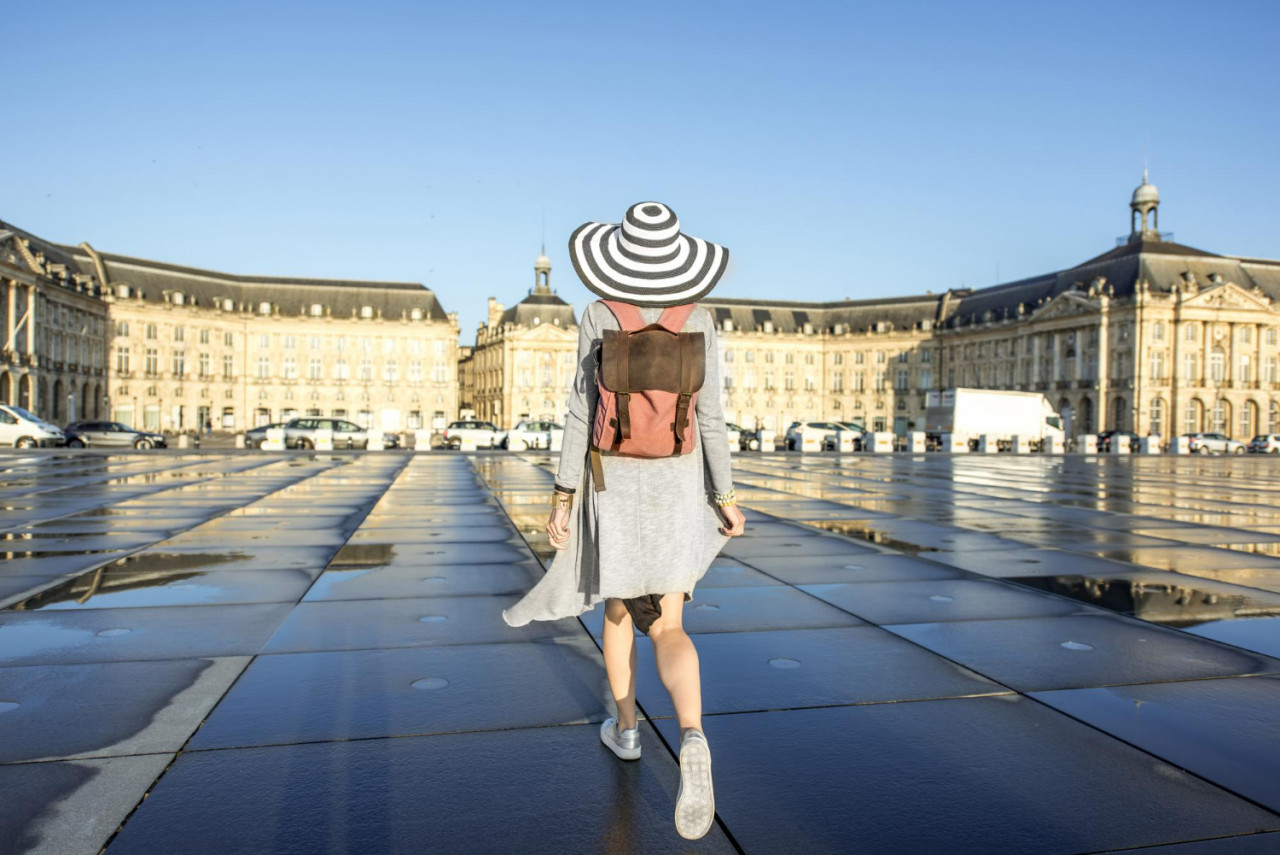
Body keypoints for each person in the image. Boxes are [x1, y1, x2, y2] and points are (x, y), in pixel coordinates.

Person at [503, 202, 745, 841]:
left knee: (618, 613)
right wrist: (724, 496)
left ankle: (629, 730)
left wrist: (562, 496)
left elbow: (580, 412)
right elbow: (713, 416)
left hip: (613, 481)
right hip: (678, 482)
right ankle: (692, 735)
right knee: (669, 622)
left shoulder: (599, 315)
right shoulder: (700, 319)